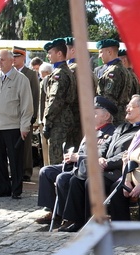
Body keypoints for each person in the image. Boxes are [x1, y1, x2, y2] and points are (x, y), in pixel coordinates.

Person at [55, 95, 140, 232]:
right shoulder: (122, 127)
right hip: (103, 168)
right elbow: (105, 146)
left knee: (91, 181)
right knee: (76, 179)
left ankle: (93, 224)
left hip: (120, 171)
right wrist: (99, 158)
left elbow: (127, 155)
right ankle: (76, 221)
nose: (126, 108)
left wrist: (106, 163)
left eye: (130, 106)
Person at [39, 97, 117, 233]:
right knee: (46, 171)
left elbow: (101, 157)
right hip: (76, 166)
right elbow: (81, 151)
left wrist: (78, 157)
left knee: (63, 179)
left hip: (87, 169)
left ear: (106, 116)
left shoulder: (110, 134)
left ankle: (68, 217)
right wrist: (71, 157)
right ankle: (54, 211)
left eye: (95, 113)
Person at [0, 49, 33, 199]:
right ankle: (2, 189)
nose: (0, 63)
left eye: (3, 60)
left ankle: (16, 190)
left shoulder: (21, 79)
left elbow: (26, 105)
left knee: (15, 160)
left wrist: (24, 126)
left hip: (13, 126)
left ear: (12, 61)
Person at [42, 38, 81, 164]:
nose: (48, 56)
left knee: (56, 159)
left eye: (50, 53)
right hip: (66, 120)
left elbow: (55, 100)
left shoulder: (60, 74)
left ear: (59, 53)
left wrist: (47, 122)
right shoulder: (67, 71)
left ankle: (56, 183)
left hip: (58, 122)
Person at [13, 46, 40, 181]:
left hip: (26, 114)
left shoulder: (30, 73)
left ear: (23, 57)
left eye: (17, 57)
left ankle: (26, 171)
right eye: (13, 56)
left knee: (26, 145)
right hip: (12, 115)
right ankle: (16, 170)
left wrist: (33, 116)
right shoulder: (11, 73)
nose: (14, 59)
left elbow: (35, 94)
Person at [96, 38, 137, 108]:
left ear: (109, 52)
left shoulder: (113, 71)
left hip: (111, 116)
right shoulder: (125, 70)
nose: (99, 56)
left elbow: (108, 98)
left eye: (101, 52)